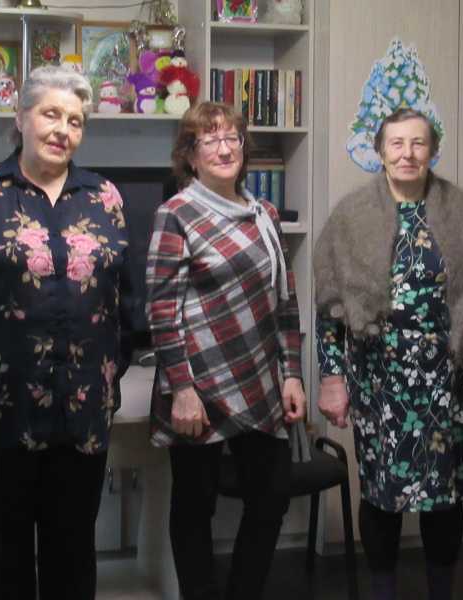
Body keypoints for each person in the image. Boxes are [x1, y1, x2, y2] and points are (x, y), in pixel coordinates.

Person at [0, 65, 133, 600]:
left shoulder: (105, 197)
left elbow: (124, 298)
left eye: (76, 121)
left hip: (83, 409)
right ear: (21, 118)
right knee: (0, 555)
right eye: (51, 114)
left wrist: (111, 375)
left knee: (72, 554)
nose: (63, 130)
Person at [314, 108, 463, 600]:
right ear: (380, 151)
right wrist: (332, 378)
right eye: (397, 143)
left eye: (418, 143)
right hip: (379, 386)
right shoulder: (351, 217)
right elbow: (329, 309)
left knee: (444, 500)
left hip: (448, 386)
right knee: (381, 498)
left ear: (432, 150)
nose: (407, 153)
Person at [145, 101, 306, 600]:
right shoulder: (175, 214)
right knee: (195, 508)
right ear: (190, 156)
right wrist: (182, 389)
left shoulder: (265, 215)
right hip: (197, 386)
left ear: (243, 147)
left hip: (259, 380)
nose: (223, 148)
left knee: (271, 498)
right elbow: (162, 310)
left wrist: (292, 373)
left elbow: (285, 301)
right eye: (209, 139)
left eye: (231, 137)